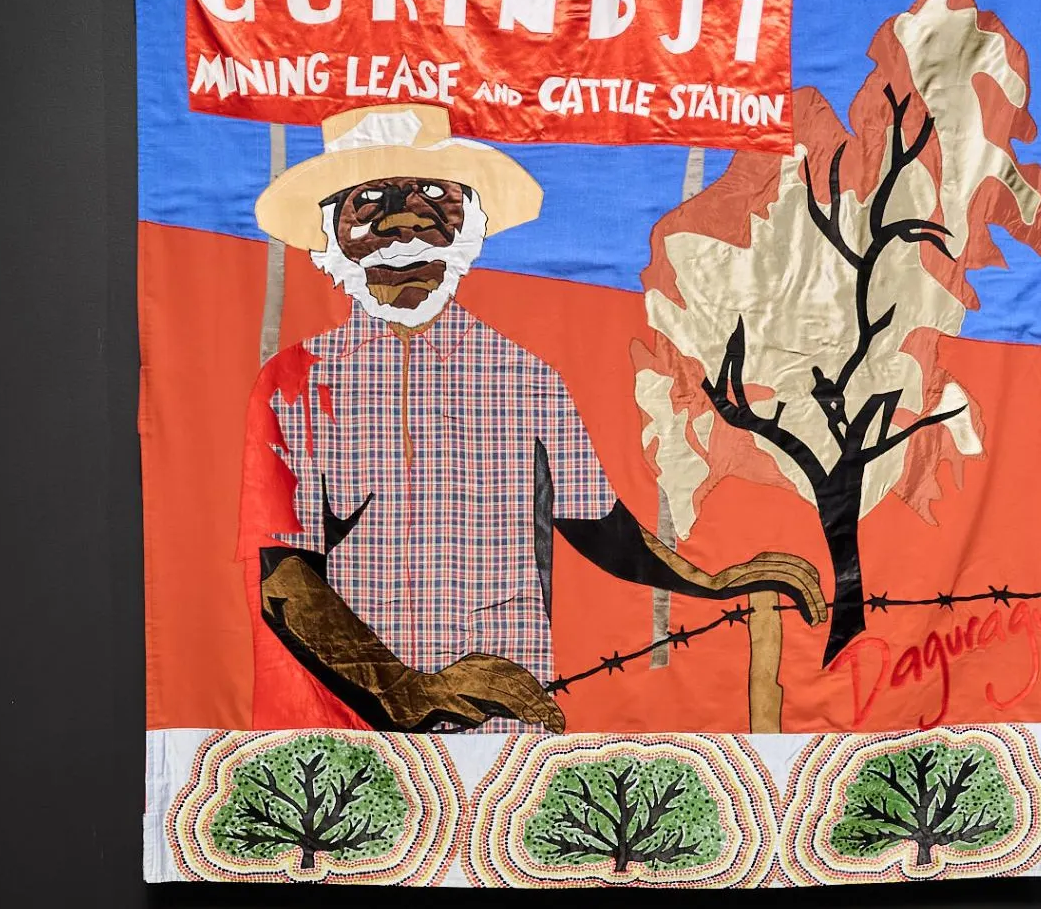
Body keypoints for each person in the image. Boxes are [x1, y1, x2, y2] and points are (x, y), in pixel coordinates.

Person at [237, 103, 828, 734]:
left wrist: (712, 580)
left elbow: (597, 522)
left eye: (435, 198)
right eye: (369, 203)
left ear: (471, 225)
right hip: (352, 731)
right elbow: (284, 575)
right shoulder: (295, 383)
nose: (405, 221)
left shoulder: (525, 375)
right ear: (331, 234)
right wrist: (406, 690)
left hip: (505, 718)